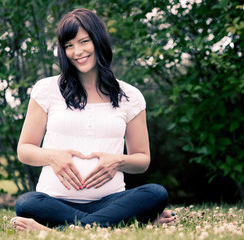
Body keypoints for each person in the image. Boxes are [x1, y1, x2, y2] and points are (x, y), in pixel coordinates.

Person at [10, 8, 175, 231]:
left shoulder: (130, 96)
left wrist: (118, 161)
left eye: (84, 41)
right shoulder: (46, 89)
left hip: (111, 201)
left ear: (98, 41)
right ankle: (119, 224)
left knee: (156, 193)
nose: (77, 51)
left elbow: (142, 159)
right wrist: (53, 156)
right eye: (69, 45)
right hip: (54, 201)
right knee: (27, 202)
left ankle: (61, 231)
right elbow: (25, 150)